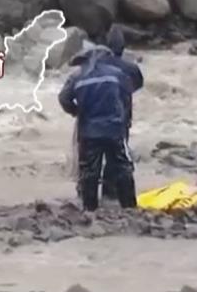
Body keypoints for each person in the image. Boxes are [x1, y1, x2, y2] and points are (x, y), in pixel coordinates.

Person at [58, 40, 139, 212]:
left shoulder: (77, 77)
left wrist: (76, 111)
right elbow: (127, 96)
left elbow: (63, 98)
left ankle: (90, 209)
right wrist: (122, 116)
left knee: (89, 170)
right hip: (115, 129)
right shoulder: (117, 74)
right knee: (123, 166)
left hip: (89, 130)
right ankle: (129, 208)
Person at [100, 25, 143, 202]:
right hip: (121, 117)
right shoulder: (131, 68)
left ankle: (90, 196)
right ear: (123, 47)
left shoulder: (97, 65)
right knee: (117, 156)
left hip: (95, 116)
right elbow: (138, 84)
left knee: (92, 158)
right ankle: (112, 193)